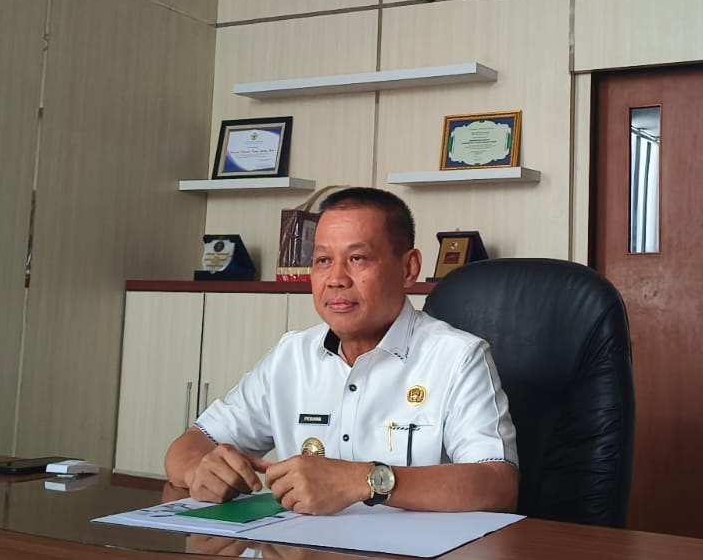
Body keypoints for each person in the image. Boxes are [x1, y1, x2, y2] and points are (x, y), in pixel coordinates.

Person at [163, 187, 518, 515]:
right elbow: (190, 445)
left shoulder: (458, 357)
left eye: (357, 258)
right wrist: (200, 470)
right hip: (300, 548)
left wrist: (364, 480)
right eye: (322, 261)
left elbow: (498, 486)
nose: (335, 279)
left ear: (408, 268)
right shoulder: (291, 355)